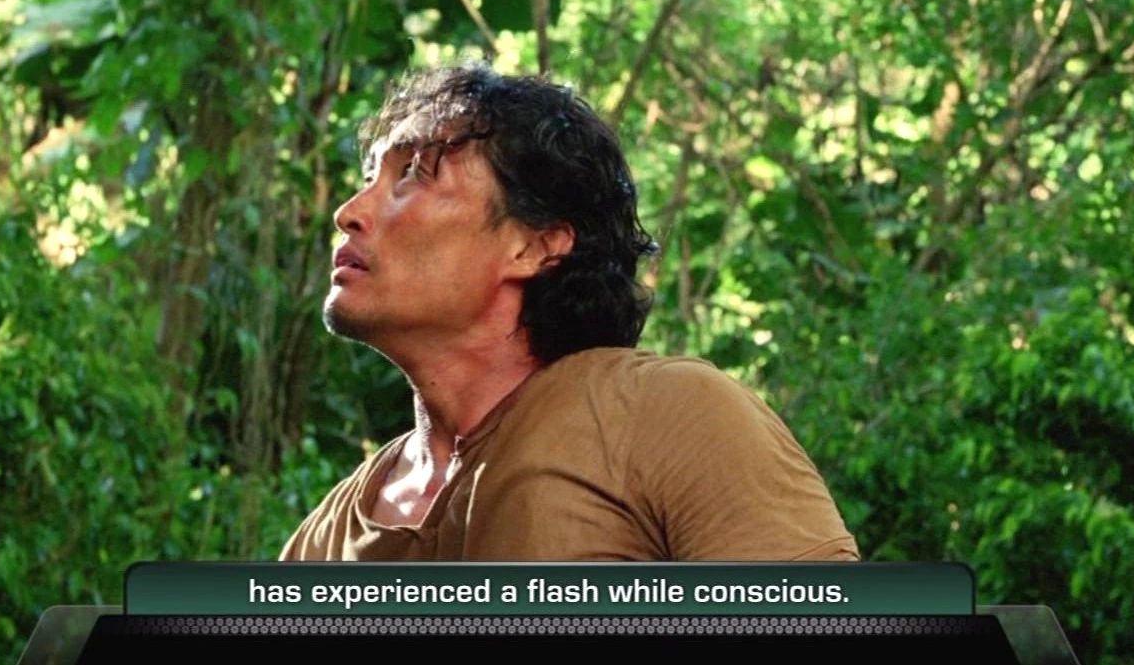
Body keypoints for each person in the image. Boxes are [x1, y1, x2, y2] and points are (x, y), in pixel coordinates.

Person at [279, 62, 859, 561]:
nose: (349, 212)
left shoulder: (668, 415)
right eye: (368, 178)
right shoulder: (325, 539)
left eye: (413, 175)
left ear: (535, 246)